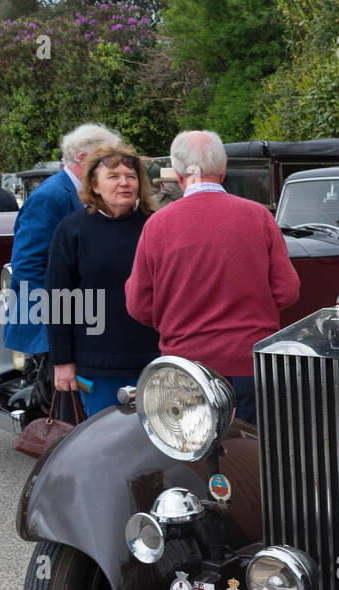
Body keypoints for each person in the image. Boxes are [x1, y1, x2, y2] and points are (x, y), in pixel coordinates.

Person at [126, 130, 299, 425]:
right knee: (251, 459)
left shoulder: (157, 225)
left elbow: (138, 306)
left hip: (186, 368)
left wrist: (176, 318)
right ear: (222, 169)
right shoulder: (258, 217)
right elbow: (287, 291)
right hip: (250, 364)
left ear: (178, 174)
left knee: (192, 458)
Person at [45, 144, 161, 415]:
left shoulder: (157, 226)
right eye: (113, 176)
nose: (124, 183)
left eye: (130, 177)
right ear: (94, 186)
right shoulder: (73, 229)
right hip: (96, 367)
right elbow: (59, 300)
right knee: (103, 447)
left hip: (154, 360)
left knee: (155, 449)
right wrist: (62, 362)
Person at [2, 123, 122, 355]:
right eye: (106, 159)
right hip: (50, 328)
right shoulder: (49, 196)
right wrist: (68, 317)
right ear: (83, 158)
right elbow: (28, 266)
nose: (113, 166)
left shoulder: (82, 192)